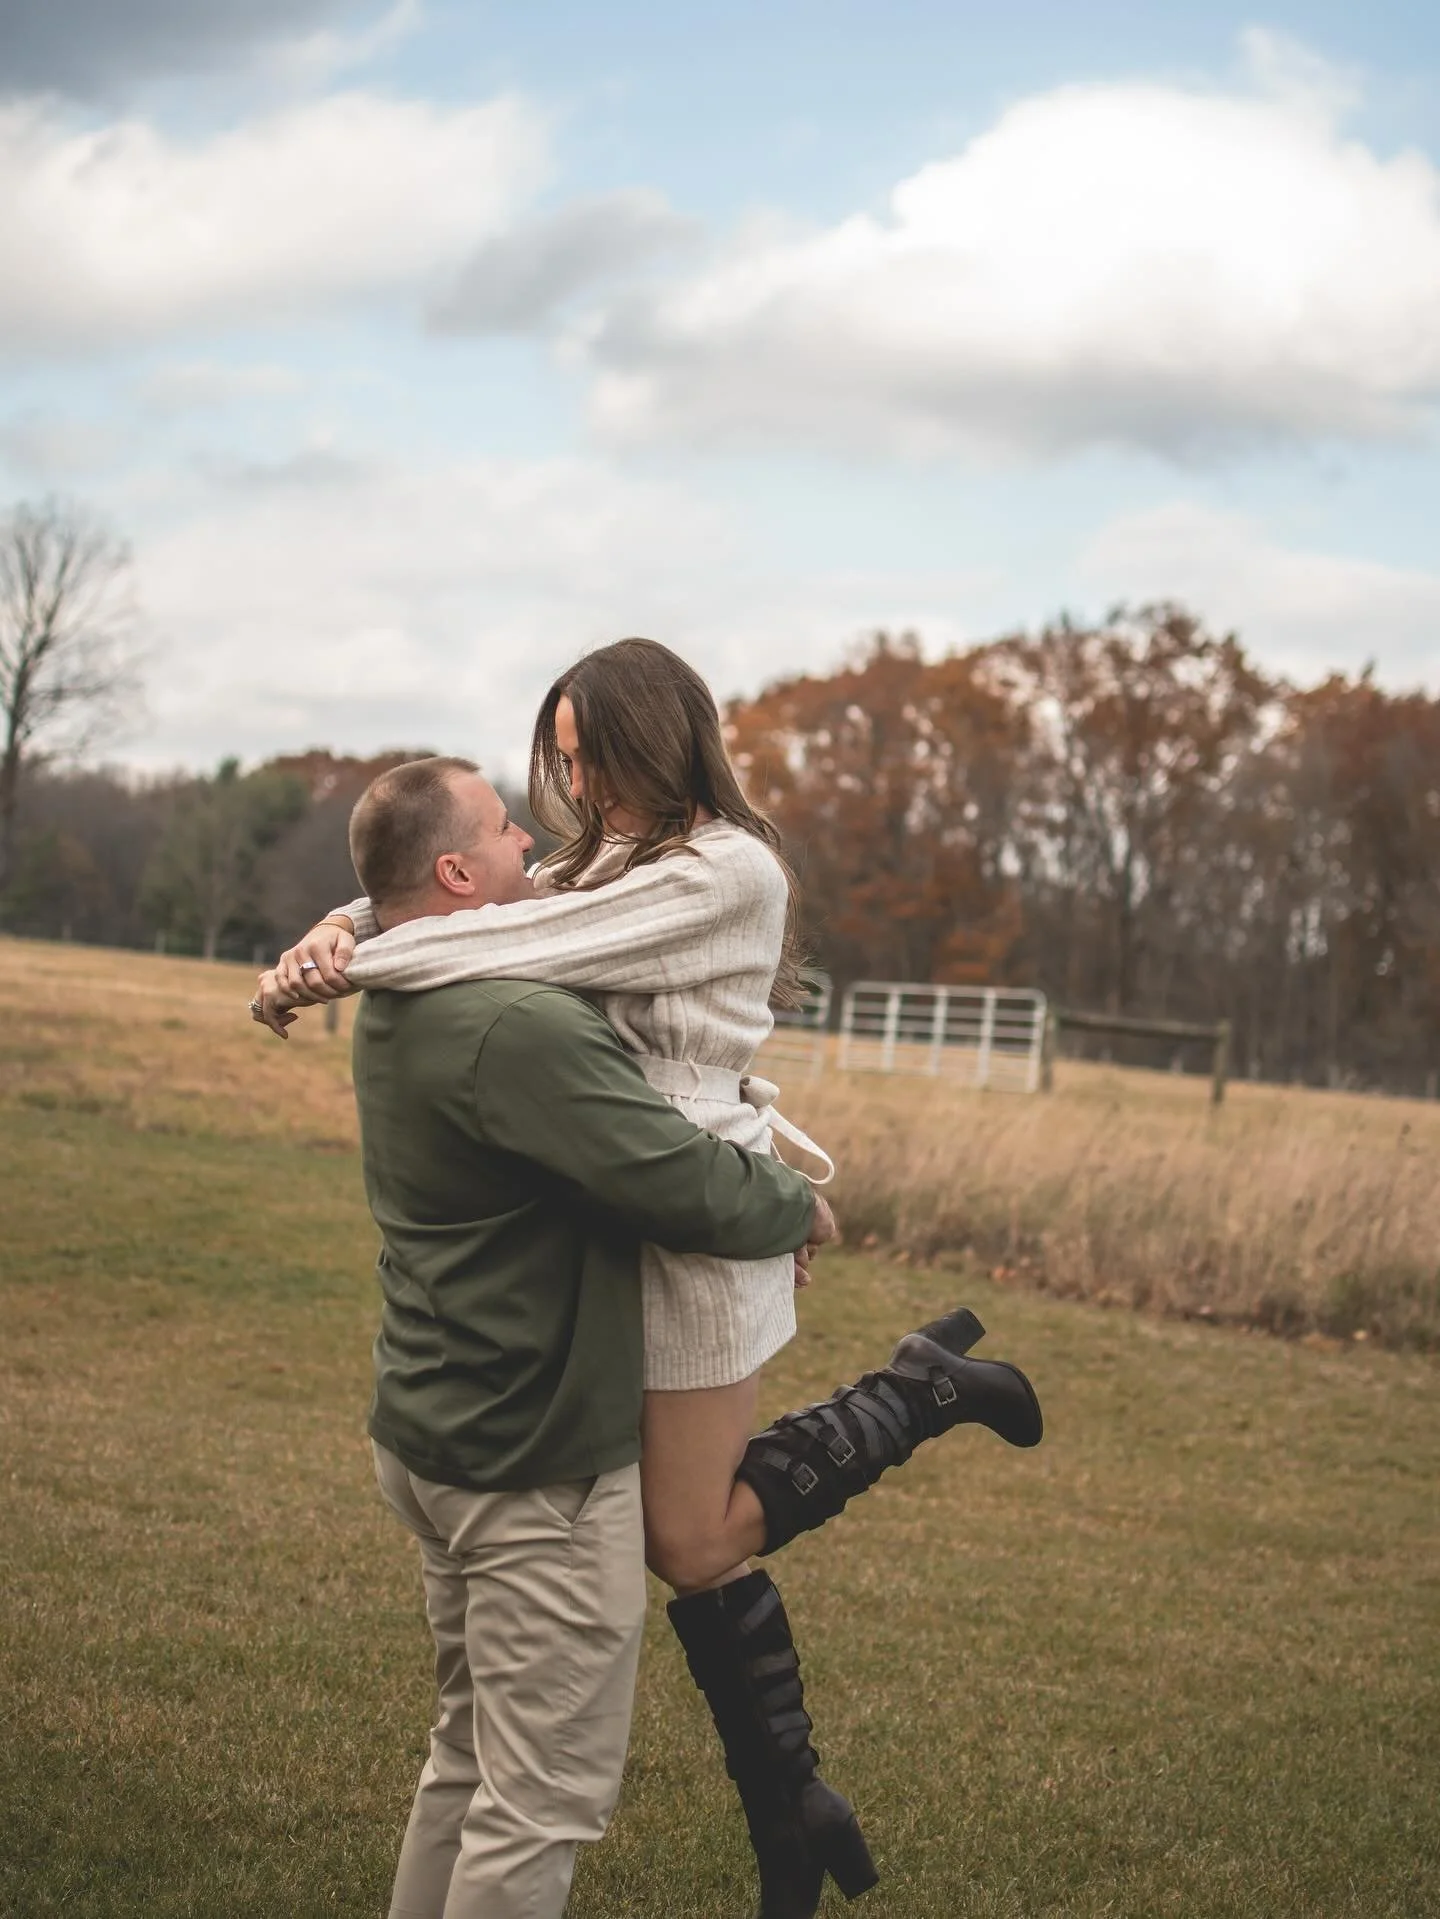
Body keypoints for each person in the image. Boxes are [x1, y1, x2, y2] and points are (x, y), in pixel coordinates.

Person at [257, 639, 1042, 1919]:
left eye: (589, 755)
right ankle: (791, 1801)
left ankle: (915, 1393)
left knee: (688, 1531)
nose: (571, 785)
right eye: (556, 759)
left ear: (657, 737)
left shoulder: (724, 869)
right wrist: (347, 921)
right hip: (631, 1195)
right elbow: (467, 897)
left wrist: (359, 954)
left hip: (698, 1194)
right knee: (669, 1534)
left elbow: (514, 927)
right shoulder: (610, 854)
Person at [288, 753, 827, 1919]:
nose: (532, 839)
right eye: (503, 829)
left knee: (469, 1761)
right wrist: (801, 1202)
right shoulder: (514, 1021)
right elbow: (677, 1180)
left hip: (437, 1432)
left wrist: (335, 926)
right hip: (533, 1466)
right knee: (538, 1804)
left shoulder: (398, 990)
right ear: (456, 871)